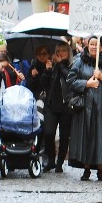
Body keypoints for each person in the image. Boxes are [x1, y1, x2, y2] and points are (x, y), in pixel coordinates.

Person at [66, 36, 102, 182]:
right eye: (91, 44)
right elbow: (71, 80)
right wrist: (86, 84)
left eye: (97, 45)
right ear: (87, 46)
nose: (94, 47)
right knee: (87, 136)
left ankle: (101, 170)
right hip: (86, 108)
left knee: (101, 138)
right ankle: (86, 168)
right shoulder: (80, 62)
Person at [39, 43, 73, 173]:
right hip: (51, 105)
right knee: (48, 133)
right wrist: (47, 70)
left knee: (64, 136)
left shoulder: (72, 66)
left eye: (64, 50)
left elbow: (70, 79)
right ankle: (51, 160)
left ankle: (59, 163)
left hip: (66, 106)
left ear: (69, 53)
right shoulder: (51, 66)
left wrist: (59, 64)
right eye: (58, 50)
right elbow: (43, 84)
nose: (60, 53)